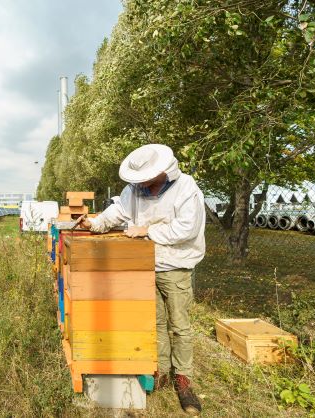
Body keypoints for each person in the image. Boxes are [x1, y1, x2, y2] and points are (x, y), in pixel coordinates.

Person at [78, 144, 205, 416]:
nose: (141, 184)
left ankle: (183, 380)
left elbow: (186, 228)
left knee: (179, 324)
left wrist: (147, 230)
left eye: (145, 178)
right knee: (155, 322)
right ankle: (160, 371)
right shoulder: (135, 190)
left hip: (175, 265)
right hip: (144, 264)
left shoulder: (186, 189)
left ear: (162, 171)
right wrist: (95, 223)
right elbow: (118, 213)